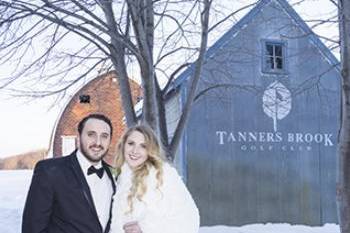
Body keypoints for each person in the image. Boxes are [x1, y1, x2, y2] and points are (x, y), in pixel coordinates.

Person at [22, 113, 117, 233]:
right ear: (79, 136)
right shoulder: (50, 171)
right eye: (91, 134)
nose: (98, 142)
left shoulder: (115, 176)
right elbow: (32, 229)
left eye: (104, 136)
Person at [110, 125, 200, 233]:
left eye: (143, 146)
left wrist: (145, 227)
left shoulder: (162, 175)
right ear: (123, 145)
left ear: (150, 150)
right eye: (131, 143)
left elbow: (189, 219)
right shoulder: (121, 179)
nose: (135, 150)